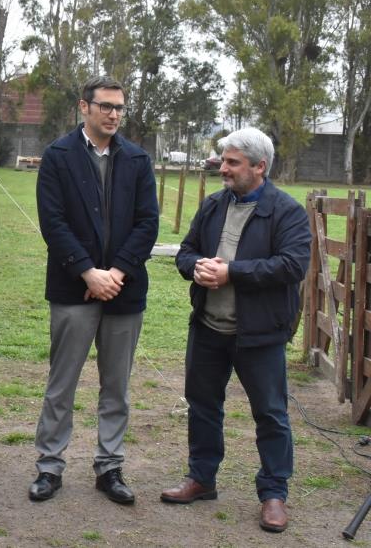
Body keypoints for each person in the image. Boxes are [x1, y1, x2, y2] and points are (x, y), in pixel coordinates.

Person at [161, 128, 310, 533]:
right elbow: (186, 250)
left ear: (259, 167)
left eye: (232, 163)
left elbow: (293, 265)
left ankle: (274, 493)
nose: (222, 168)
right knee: (203, 405)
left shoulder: (287, 211)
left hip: (260, 335)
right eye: (223, 161)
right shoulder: (212, 206)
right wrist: (195, 267)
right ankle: (202, 478)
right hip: (209, 327)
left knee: (270, 414)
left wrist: (232, 273)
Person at [30, 75, 158, 505]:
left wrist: (116, 272)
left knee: (116, 386)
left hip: (124, 291)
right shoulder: (58, 156)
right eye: (105, 106)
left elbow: (147, 224)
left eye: (120, 107)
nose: (114, 114)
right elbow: (53, 222)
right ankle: (49, 466)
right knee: (61, 384)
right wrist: (88, 273)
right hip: (73, 289)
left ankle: (110, 466)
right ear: (83, 107)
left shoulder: (138, 160)